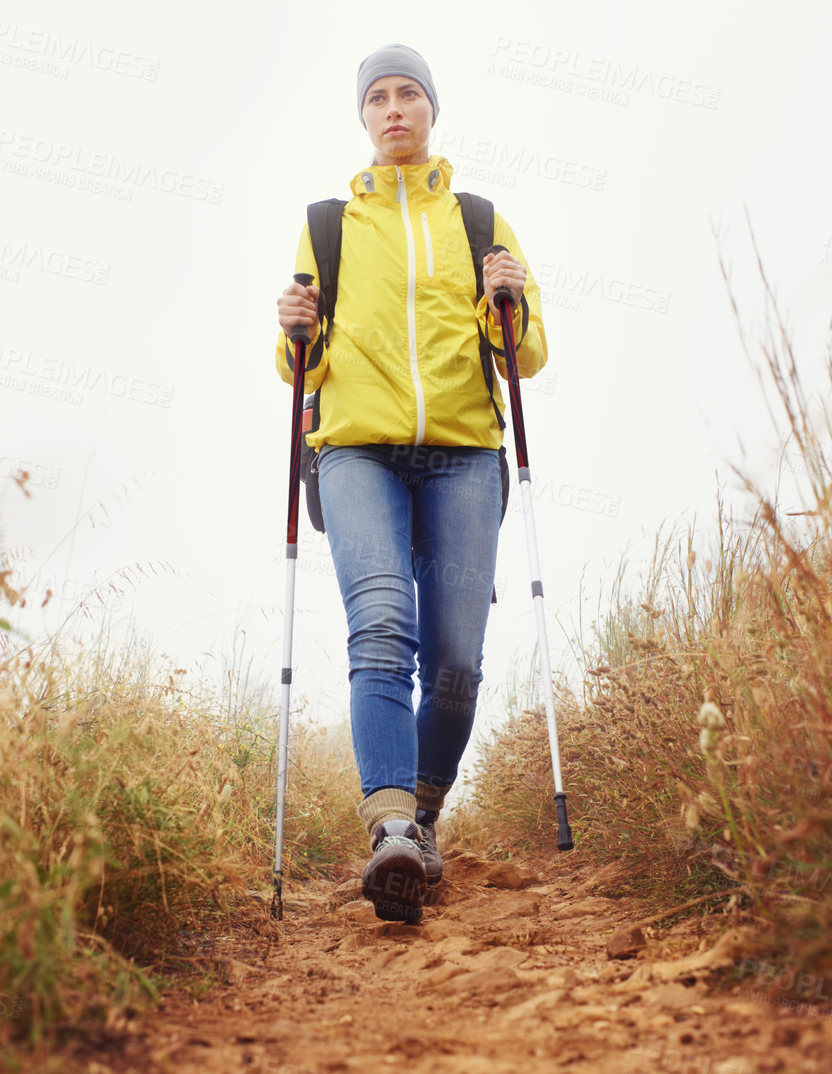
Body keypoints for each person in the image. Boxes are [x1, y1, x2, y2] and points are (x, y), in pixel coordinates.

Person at [272, 44, 547, 922]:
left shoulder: (480, 222)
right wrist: (291, 328)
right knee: (381, 622)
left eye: (409, 95)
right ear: (362, 116)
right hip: (356, 449)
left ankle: (423, 814)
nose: (394, 109)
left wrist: (511, 299)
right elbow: (298, 368)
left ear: (431, 110)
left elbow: (525, 356)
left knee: (457, 661)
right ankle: (390, 826)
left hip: (464, 451)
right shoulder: (327, 225)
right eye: (378, 98)